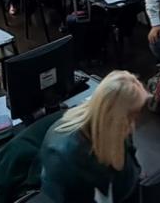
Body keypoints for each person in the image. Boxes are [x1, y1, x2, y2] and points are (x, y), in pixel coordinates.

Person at [39, 71, 148, 202]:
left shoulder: (116, 127)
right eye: (131, 116)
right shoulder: (64, 155)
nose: (133, 124)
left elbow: (130, 158)